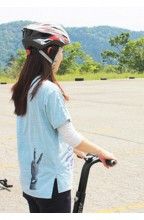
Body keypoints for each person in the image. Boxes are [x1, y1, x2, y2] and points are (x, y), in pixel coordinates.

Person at [11, 23, 117, 213]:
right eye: (60, 51)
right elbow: (70, 135)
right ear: (50, 51)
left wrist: (71, 149)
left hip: (32, 183)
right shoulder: (49, 90)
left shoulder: (25, 87)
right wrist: (103, 152)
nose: (62, 57)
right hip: (52, 184)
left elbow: (41, 130)